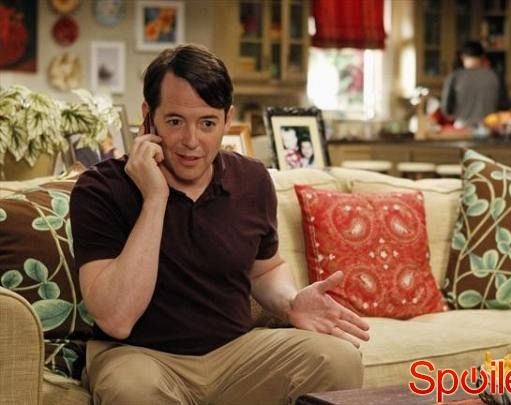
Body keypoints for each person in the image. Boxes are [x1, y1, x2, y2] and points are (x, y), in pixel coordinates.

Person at [70, 44, 369, 405]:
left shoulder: (252, 180)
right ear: (148, 117)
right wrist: (154, 199)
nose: (191, 141)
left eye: (207, 123)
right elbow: (117, 319)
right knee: (131, 390)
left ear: (227, 120)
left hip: (235, 353)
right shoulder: (101, 188)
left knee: (338, 359)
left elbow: (264, 270)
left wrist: (290, 303)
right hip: (139, 357)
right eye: (175, 121)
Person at [441, 40, 510, 128]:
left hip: (462, 127)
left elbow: (446, 109)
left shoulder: (454, 77)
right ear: (482, 57)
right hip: (489, 127)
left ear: (462, 56)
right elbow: (504, 106)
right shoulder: (495, 76)